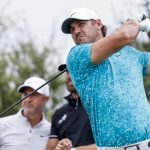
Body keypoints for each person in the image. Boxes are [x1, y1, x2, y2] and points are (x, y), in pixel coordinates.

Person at [61, 7, 150, 149]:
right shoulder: (77, 55)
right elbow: (125, 35)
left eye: (81, 24)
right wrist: (135, 23)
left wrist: (149, 28)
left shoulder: (131, 54)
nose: (76, 31)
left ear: (98, 24)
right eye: (72, 29)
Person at [46, 64, 96, 150]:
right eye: (67, 71)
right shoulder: (59, 113)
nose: (70, 76)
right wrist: (59, 147)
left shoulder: (100, 105)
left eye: (74, 70)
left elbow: (114, 146)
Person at [0, 76, 51, 150]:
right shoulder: (2, 124)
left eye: (34, 95)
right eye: (25, 94)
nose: (28, 99)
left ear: (45, 99)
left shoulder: (52, 131)